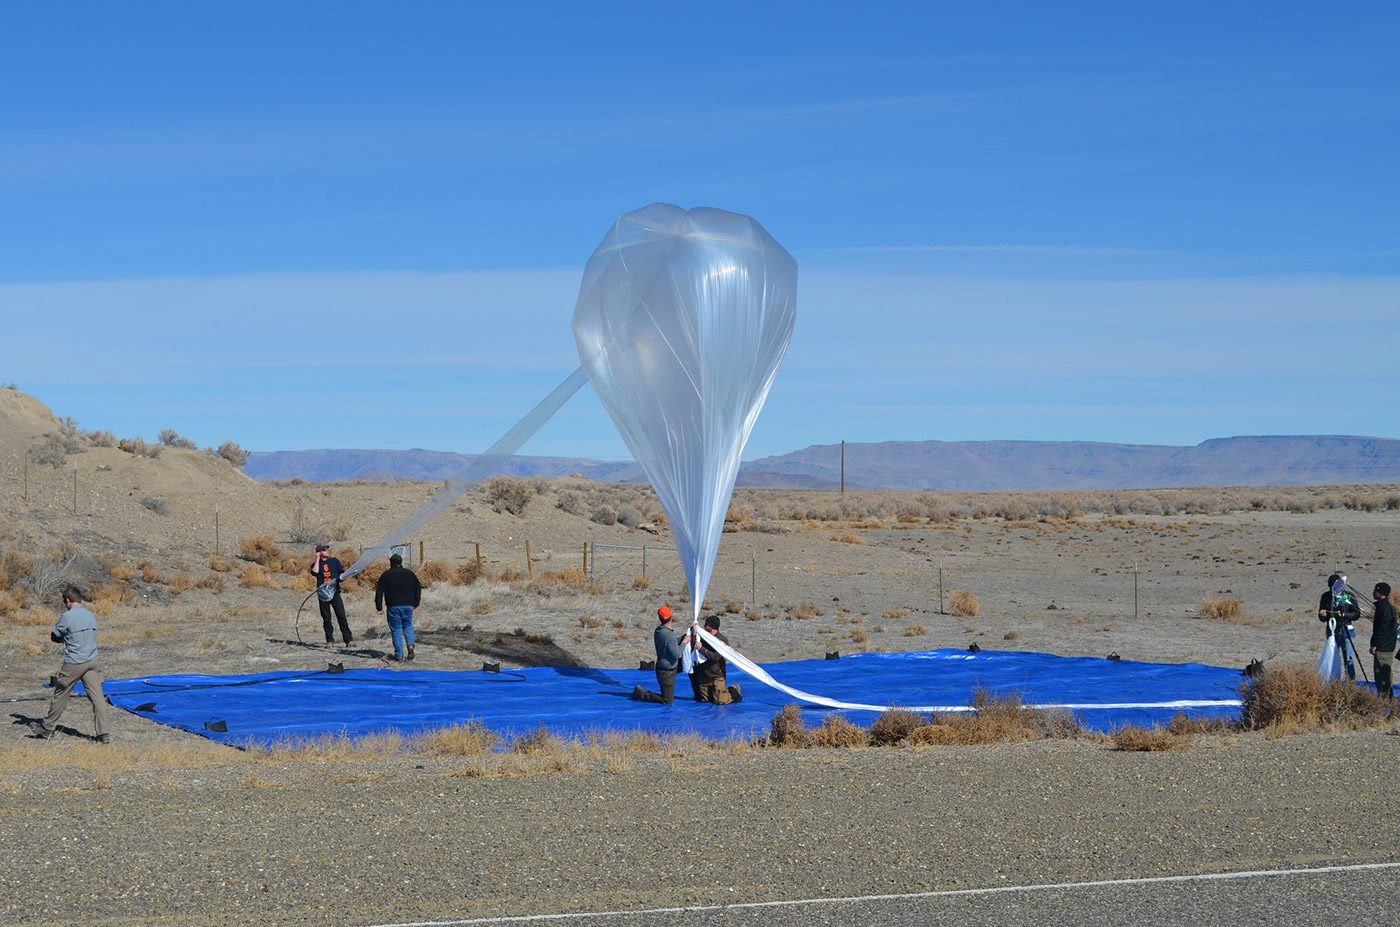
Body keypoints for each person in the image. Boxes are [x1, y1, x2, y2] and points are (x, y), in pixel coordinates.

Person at [32, 586, 111, 742]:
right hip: (93, 661)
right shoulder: (90, 614)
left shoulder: (67, 617)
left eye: (64, 602)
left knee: (61, 693)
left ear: (67, 600)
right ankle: (103, 734)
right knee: (98, 698)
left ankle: (47, 728)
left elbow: (55, 636)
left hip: (74, 662)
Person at [631, 605, 685, 703]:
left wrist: (684, 637)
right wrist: (684, 642)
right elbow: (677, 654)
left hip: (665, 668)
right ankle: (642, 694)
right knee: (667, 700)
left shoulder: (659, 630)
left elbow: (671, 643)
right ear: (671, 616)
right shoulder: (668, 634)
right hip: (667, 671)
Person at [375, 552, 421, 661]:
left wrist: (379, 607)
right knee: (408, 626)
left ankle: (399, 656)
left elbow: (379, 592)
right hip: (408, 606)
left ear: (391, 563)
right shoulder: (410, 573)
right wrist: (415, 604)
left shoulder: (386, 575)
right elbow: (418, 588)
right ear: (401, 562)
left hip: (393, 607)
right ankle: (410, 646)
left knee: (396, 630)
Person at [692, 615, 742, 705]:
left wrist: (701, 649)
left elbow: (715, 657)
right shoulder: (702, 637)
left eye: (706, 625)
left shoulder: (722, 640)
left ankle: (733, 690)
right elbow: (693, 646)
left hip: (716, 675)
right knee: (705, 700)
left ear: (710, 626)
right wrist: (694, 635)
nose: (704, 627)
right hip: (704, 675)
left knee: (720, 701)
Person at [1318, 573, 1360, 679]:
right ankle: (1334, 680)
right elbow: (1322, 616)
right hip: (1332, 632)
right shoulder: (1326, 597)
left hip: (1346, 631)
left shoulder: (1348, 596)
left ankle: (1351, 681)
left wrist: (1345, 615)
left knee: (1348, 657)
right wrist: (1323, 615)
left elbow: (1356, 614)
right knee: (1333, 657)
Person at [310, 543, 353, 647]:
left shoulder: (334, 561)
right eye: (324, 550)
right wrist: (317, 559)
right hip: (323, 595)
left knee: (341, 616)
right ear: (319, 553)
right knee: (326, 618)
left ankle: (348, 640)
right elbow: (314, 573)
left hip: (335, 592)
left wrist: (341, 577)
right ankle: (330, 641)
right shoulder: (316, 564)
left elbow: (341, 573)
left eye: (327, 549)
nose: (327, 551)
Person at [1369, 581, 1397, 698]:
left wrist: (1375, 644)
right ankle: (1386, 697)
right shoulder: (1384, 606)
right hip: (1386, 646)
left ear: (1381, 593)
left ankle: (1385, 699)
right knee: (1384, 675)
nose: (1373, 592)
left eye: (1376, 590)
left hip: (1384, 647)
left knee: (1382, 675)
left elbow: (1382, 628)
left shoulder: (1385, 608)